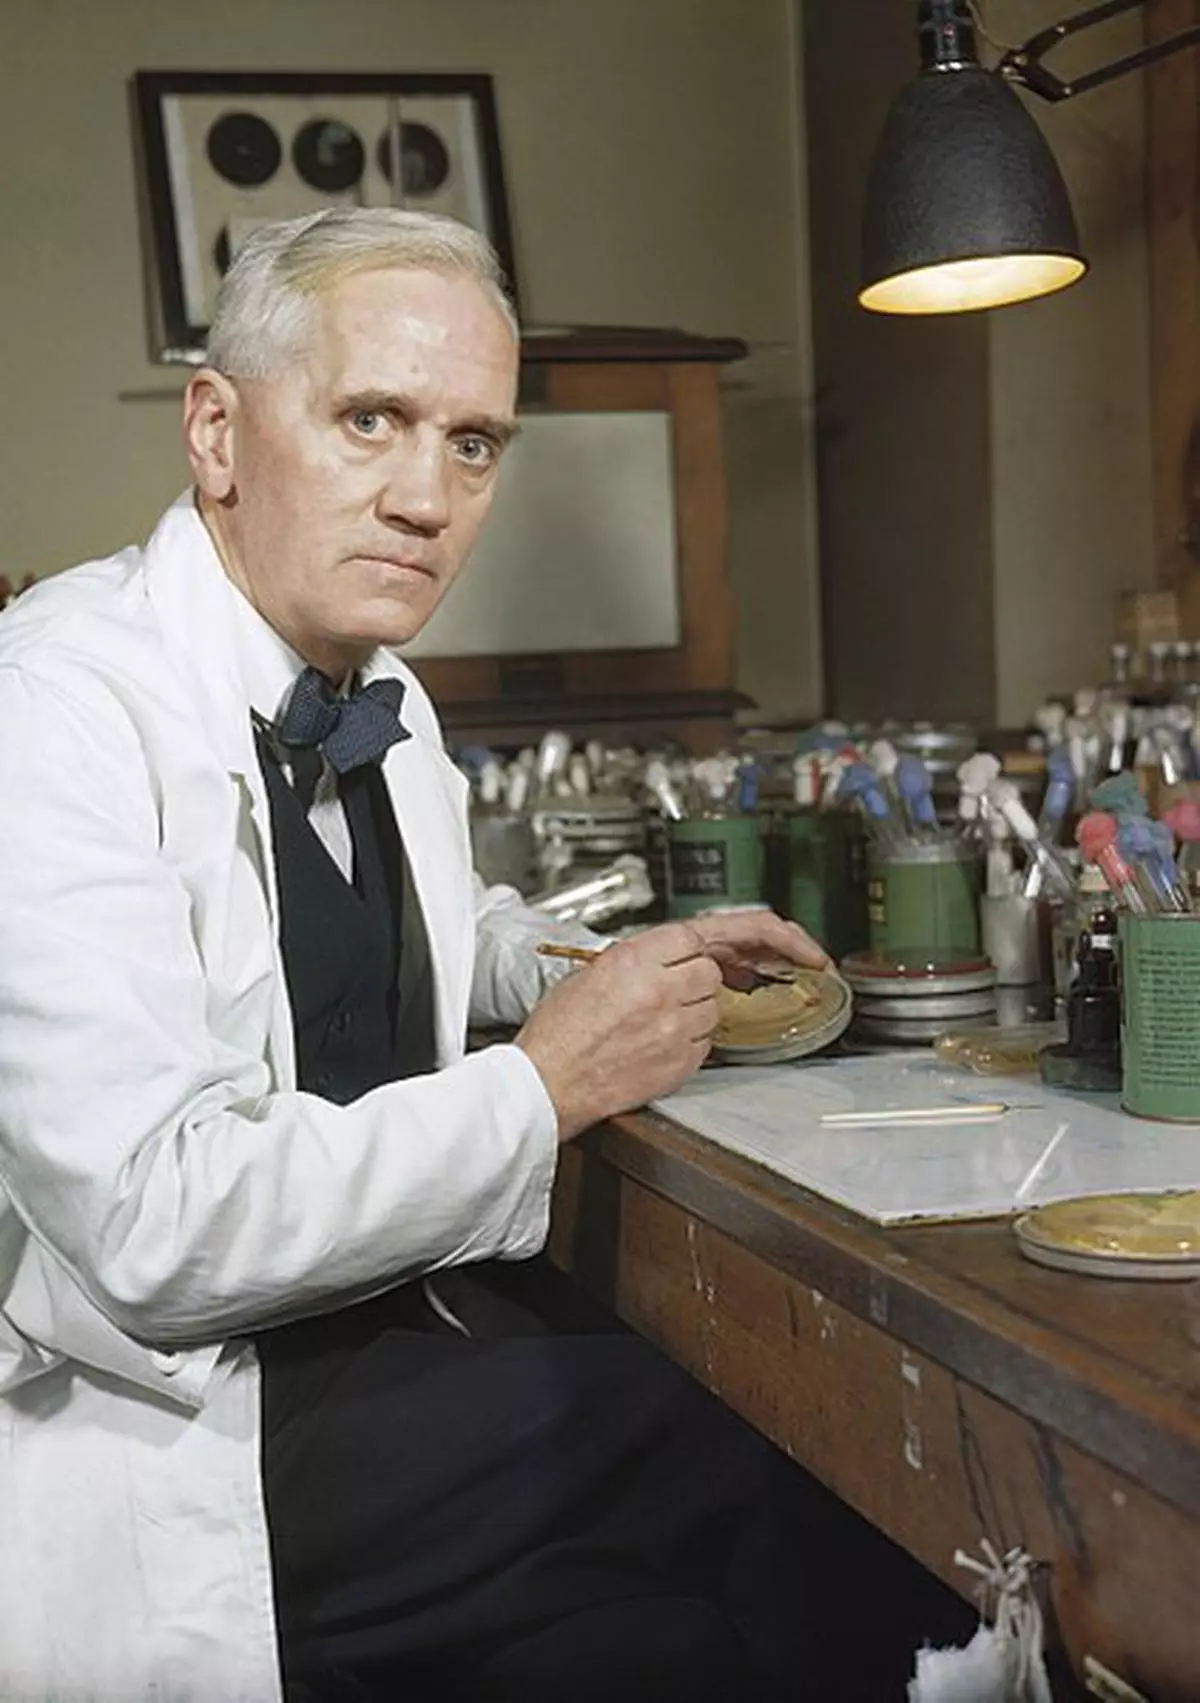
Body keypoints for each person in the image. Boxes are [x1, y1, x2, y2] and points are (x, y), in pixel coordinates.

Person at [0, 207, 966, 1703]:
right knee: (784, 1472)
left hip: (370, 1337)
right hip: (205, 1422)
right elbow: (150, 1225)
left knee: (680, 1615)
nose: (425, 495)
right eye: (370, 418)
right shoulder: (54, 709)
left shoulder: (374, 688)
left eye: (472, 443)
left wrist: (581, 962)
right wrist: (539, 1084)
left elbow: (385, 921)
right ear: (216, 431)